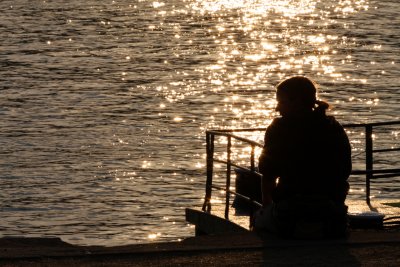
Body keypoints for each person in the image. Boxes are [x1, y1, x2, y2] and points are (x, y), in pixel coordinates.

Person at [254, 76, 352, 239]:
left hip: (289, 213)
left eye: (281, 102)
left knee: (259, 220)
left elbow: (269, 174)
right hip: (331, 213)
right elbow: (344, 171)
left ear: (297, 101)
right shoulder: (333, 127)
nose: (277, 108)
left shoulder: (278, 129)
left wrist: (267, 206)